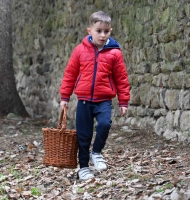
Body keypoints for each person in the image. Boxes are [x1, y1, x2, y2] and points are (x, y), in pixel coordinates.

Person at [60, 11, 130, 180]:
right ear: (89, 30)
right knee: (83, 135)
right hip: (84, 100)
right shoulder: (79, 51)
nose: (103, 35)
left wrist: (123, 101)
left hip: (104, 100)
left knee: (105, 124)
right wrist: (64, 97)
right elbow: (70, 74)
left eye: (106, 31)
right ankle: (83, 167)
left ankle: (96, 152)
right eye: (99, 31)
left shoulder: (115, 53)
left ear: (110, 31)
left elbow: (121, 78)